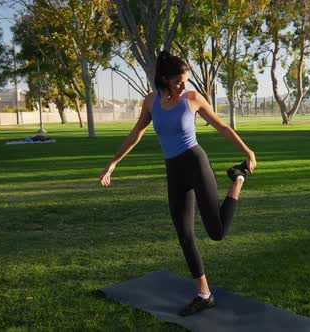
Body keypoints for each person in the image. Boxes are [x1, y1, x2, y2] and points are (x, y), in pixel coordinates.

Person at [99, 50, 256, 316]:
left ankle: (238, 178)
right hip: (174, 169)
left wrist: (248, 151)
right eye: (179, 81)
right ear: (164, 79)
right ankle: (204, 294)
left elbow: (222, 127)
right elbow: (136, 133)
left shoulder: (193, 99)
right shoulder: (151, 102)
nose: (184, 85)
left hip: (196, 162)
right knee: (184, 235)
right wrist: (114, 163)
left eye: (185, 79)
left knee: (216, 233)